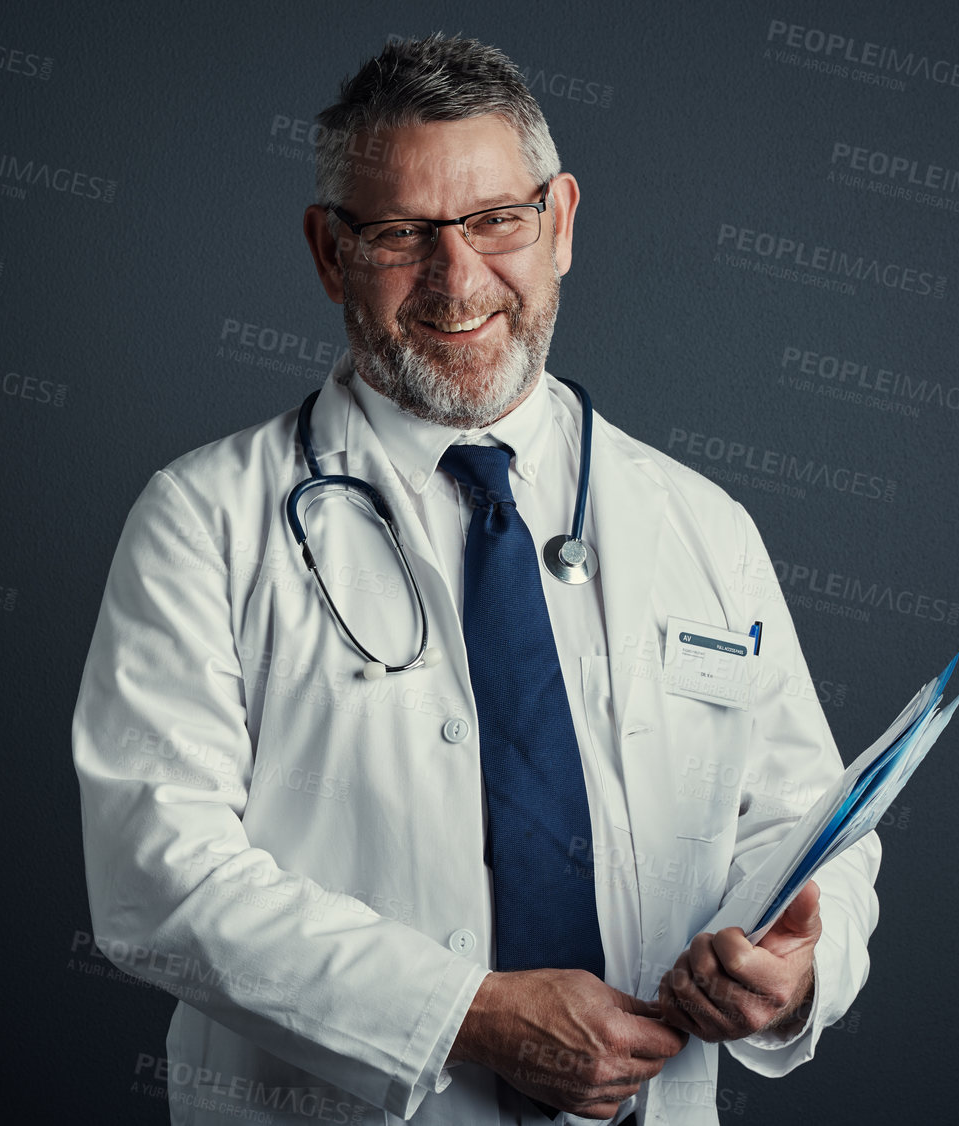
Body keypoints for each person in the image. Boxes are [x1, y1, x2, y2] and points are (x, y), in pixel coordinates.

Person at [73, 35, 879, 1126]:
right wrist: (464, 1014)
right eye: (402, 233)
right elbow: (157, 880)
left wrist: (797, 976)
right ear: (328, 251)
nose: (458, 278)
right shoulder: (203, 521)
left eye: (497, 220)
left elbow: (811, 827)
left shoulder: (700, 524)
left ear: (559, 224)